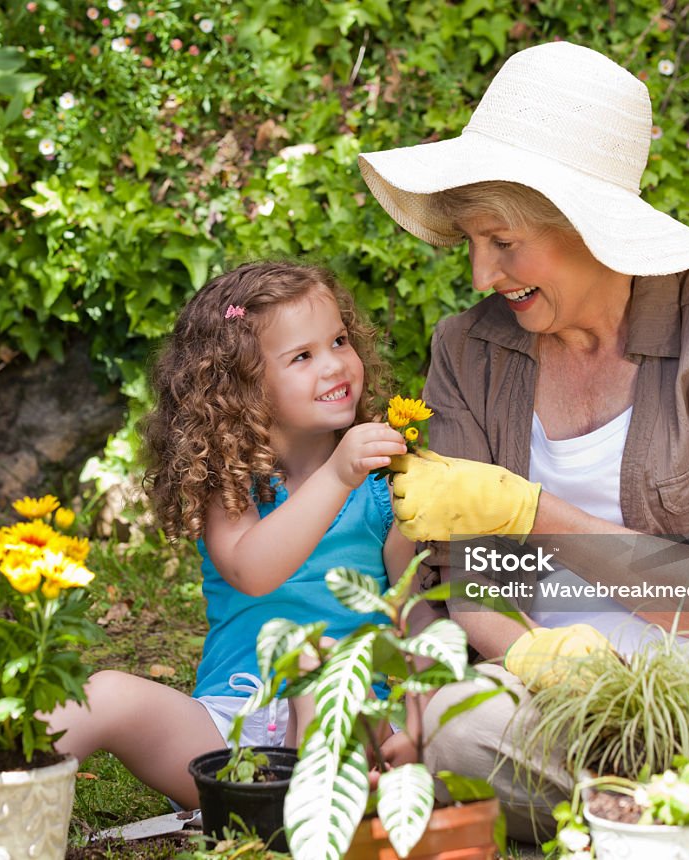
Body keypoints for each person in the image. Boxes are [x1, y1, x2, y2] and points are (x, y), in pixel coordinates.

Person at [357, 41, 689, 857]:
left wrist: (535, 511)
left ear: (587, 226)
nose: (482, 274)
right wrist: (543, 659)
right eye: (472, 243)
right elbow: (477, 587)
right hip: (560, 705)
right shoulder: (470, 351)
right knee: (456, 731)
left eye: (503, 241)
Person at [48, 261, 418, 809]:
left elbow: (411, 625)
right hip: (229, 732)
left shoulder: (386, 490)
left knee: (322, 670)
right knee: (100, 696)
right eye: (302, 356)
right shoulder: (232, 484)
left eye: (339, 340)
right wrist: (339, 475)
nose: (336, 364)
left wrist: (412, 729)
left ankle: (311, 818)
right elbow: (252, 569)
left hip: (347, 718)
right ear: (242, 386)